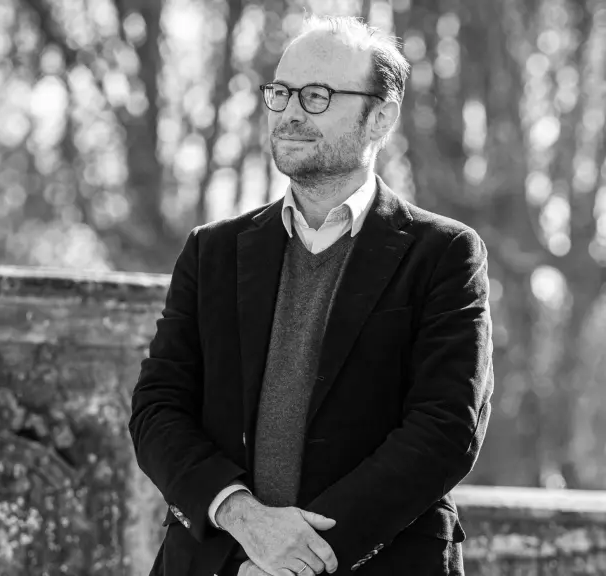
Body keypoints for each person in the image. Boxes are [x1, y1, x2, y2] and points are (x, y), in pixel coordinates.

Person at [129, 13, 494, 576]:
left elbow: (446, 429)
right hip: (220, 562)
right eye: (281, 93)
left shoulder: (445, 253)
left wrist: (297, 560)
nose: (290, 112)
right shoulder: (212, 251)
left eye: (317, 95)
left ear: (381, 117)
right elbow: (157, 410)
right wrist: (245, 520)